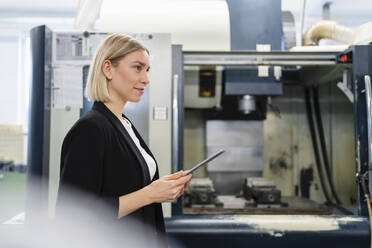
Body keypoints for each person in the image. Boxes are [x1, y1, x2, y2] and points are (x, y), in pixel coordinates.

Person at [56, 33, 192, 247]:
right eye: (137, 68)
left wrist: (163, 188)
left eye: (147, 70)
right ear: (108, 68)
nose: (146, 79)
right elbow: (74, 215)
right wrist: (150, 194)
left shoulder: (124, 124)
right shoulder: (90, 129)